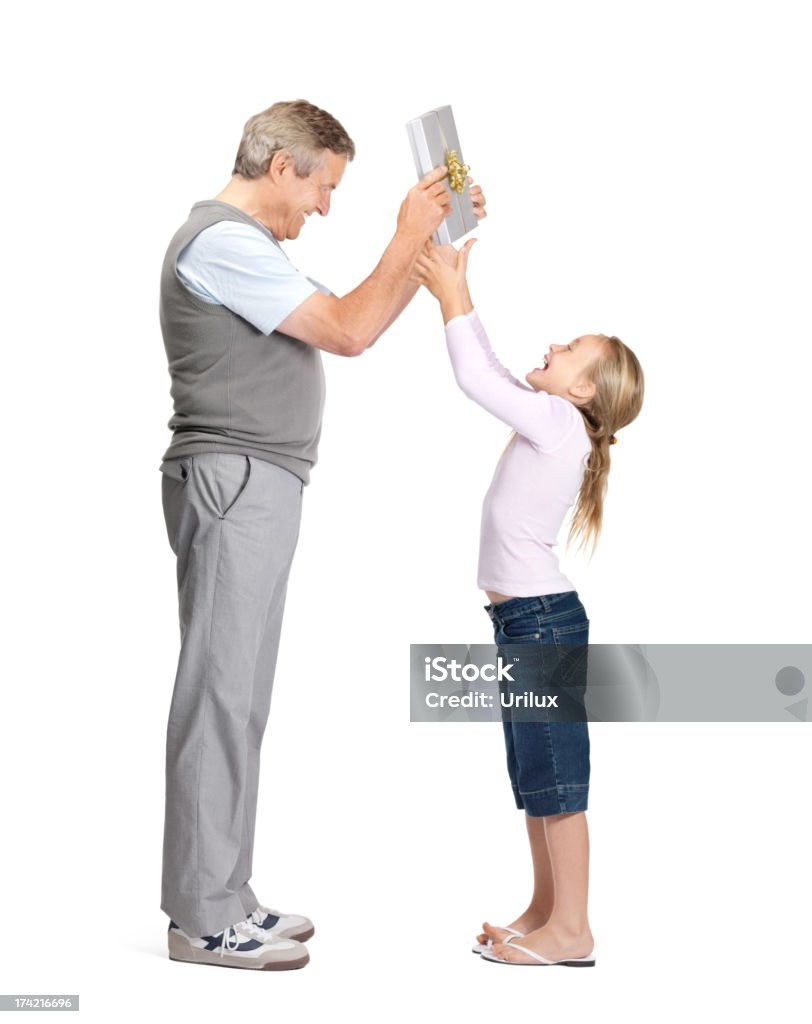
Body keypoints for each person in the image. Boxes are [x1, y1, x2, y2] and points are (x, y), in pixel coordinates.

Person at [158, 99, 487, 971]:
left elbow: (356, 319)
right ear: (281, 167)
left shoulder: (250, 248)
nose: (324, 208)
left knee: (242, 695)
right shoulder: (222, 241)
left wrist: (426, 249)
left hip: (257, 484)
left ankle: (224, 895)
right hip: (234, 482)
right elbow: (347, 328)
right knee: (220, 696)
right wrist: (402, 237)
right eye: (323, 188)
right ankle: (200, 917)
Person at [412, 238, 643, 967]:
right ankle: (545, 911)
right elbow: (495, 370)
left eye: (571, 347)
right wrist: (460, 289)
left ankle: (572, 931)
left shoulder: (557, 422)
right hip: (523, 622)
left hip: (540, 624)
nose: (553, 343)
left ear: (583, 389)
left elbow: (476, 376)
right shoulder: (559, 419)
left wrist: (451, 294)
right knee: (536, 773)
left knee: (559, 779)